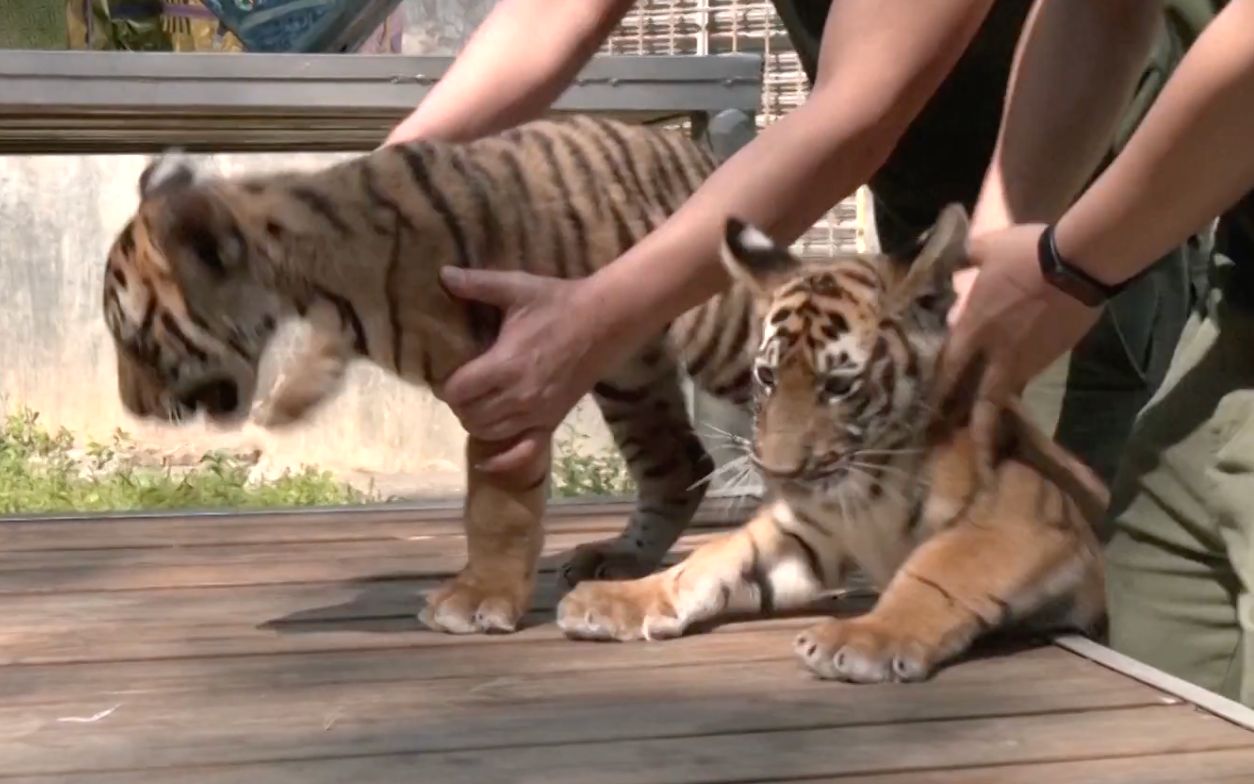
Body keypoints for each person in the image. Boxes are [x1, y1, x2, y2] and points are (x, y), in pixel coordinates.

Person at [384, 0, 1207, 484]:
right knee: (895, 545)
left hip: (1071, 247)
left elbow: (855, 119)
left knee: (1027, 593)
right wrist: (367, 192)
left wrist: (591, 322)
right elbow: (545, 20)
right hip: (924, 230)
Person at [943, 0, 1254, 705]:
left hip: (1117, 269)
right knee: (1137, 693)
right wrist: (985, 269)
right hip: (1233, 322)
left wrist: (1068, 268)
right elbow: (1097, 11)